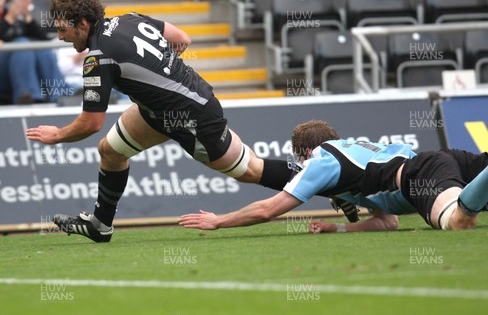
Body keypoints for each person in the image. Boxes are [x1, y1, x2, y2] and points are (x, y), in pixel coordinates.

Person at [25, 0, 302, 243]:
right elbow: (182, 39)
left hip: (195, 115)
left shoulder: (98, 58)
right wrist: (164, 79)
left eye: (63, 30)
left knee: (250, 170)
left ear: (83, 24)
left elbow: (91, 123)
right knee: (110, 151)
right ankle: (101, 225)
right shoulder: (128, 19)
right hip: (158, 110)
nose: (60, 37)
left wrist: (58, 135)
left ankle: (331, 181)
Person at [179, 120, 488, 233]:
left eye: (299, 157)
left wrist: (219, 221)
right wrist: (336, 228)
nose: (299, 164)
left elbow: (268, 209)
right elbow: (387, 221)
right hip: (444, 161)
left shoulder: (321, 160)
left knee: (459, 222)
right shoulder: (355, 155)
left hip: (422, 174)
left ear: (305, 151)